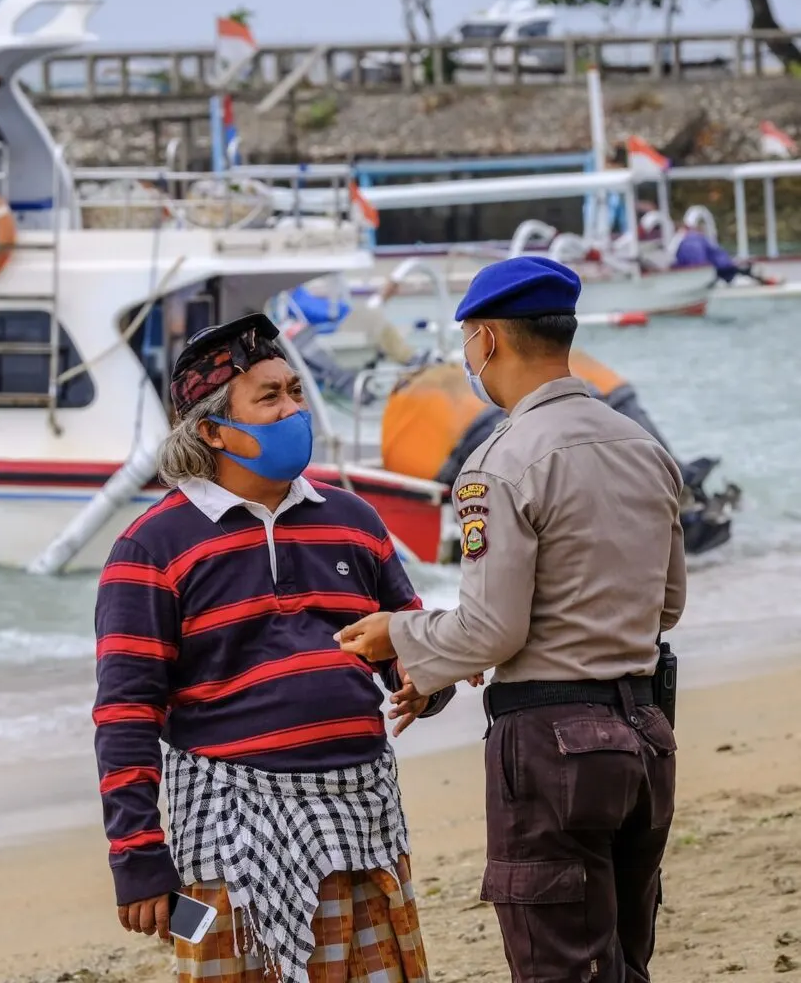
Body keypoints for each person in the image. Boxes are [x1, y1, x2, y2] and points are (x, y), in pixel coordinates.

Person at [334, 256, 686, 983]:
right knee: (624, 957)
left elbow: (492, 631)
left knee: (557, 961)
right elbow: (666, 604)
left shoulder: (499, 461)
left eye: (467, 341)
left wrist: (396, 633)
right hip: (647, 733)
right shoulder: (643, 448)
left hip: (554, 746)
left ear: (485, 341)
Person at [92, 312, 456, 983]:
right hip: (222, 823)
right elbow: (125, 712)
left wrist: (424, 680)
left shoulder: (354, 520)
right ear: (210, 430)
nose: (294, 409)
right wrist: (137, 858)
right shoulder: (151, 547)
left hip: (363, 810)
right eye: (270, 398)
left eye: (294, 390)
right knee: (213, 958)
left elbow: (405, 634)